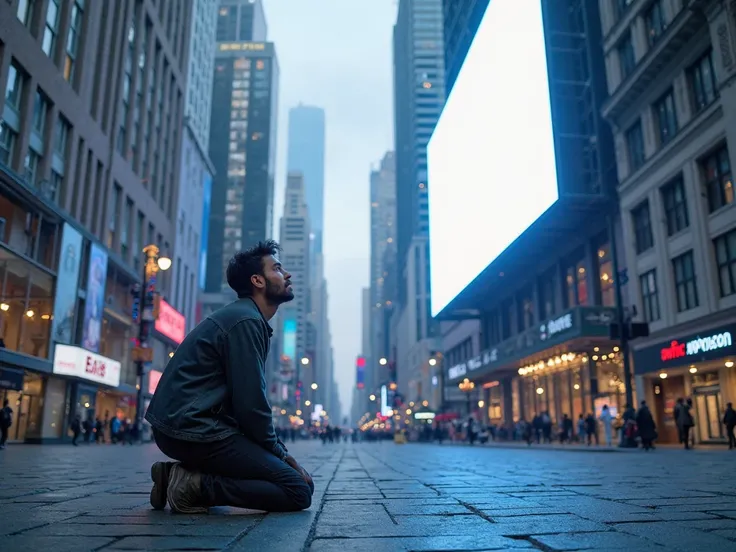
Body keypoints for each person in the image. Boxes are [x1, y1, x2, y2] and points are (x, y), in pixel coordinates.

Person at [145, 240, 314, 514]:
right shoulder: (245, 321)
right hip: (192, 429)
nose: (287, 275)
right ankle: (193, 486)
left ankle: (177, 477)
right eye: (278, 269)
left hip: (190, 427)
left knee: (295, 483)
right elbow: (251, 405)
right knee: (297, 491)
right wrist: (282, 454)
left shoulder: (247, 318)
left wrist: (277, 457)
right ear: (257, 280)